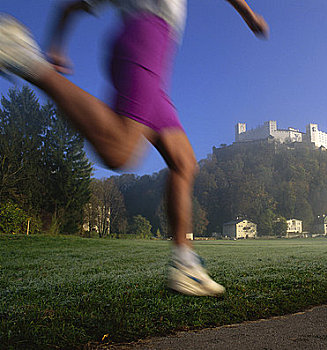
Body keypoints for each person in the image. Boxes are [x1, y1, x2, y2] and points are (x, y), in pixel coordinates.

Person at [0, 0, 268, 296]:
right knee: (119, 151)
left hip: (141, 51)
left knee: (184, 162)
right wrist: (249, 14)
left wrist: (57, 43)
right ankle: (24, 59)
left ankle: (185, 265)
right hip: (147, 39)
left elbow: (72, 6)